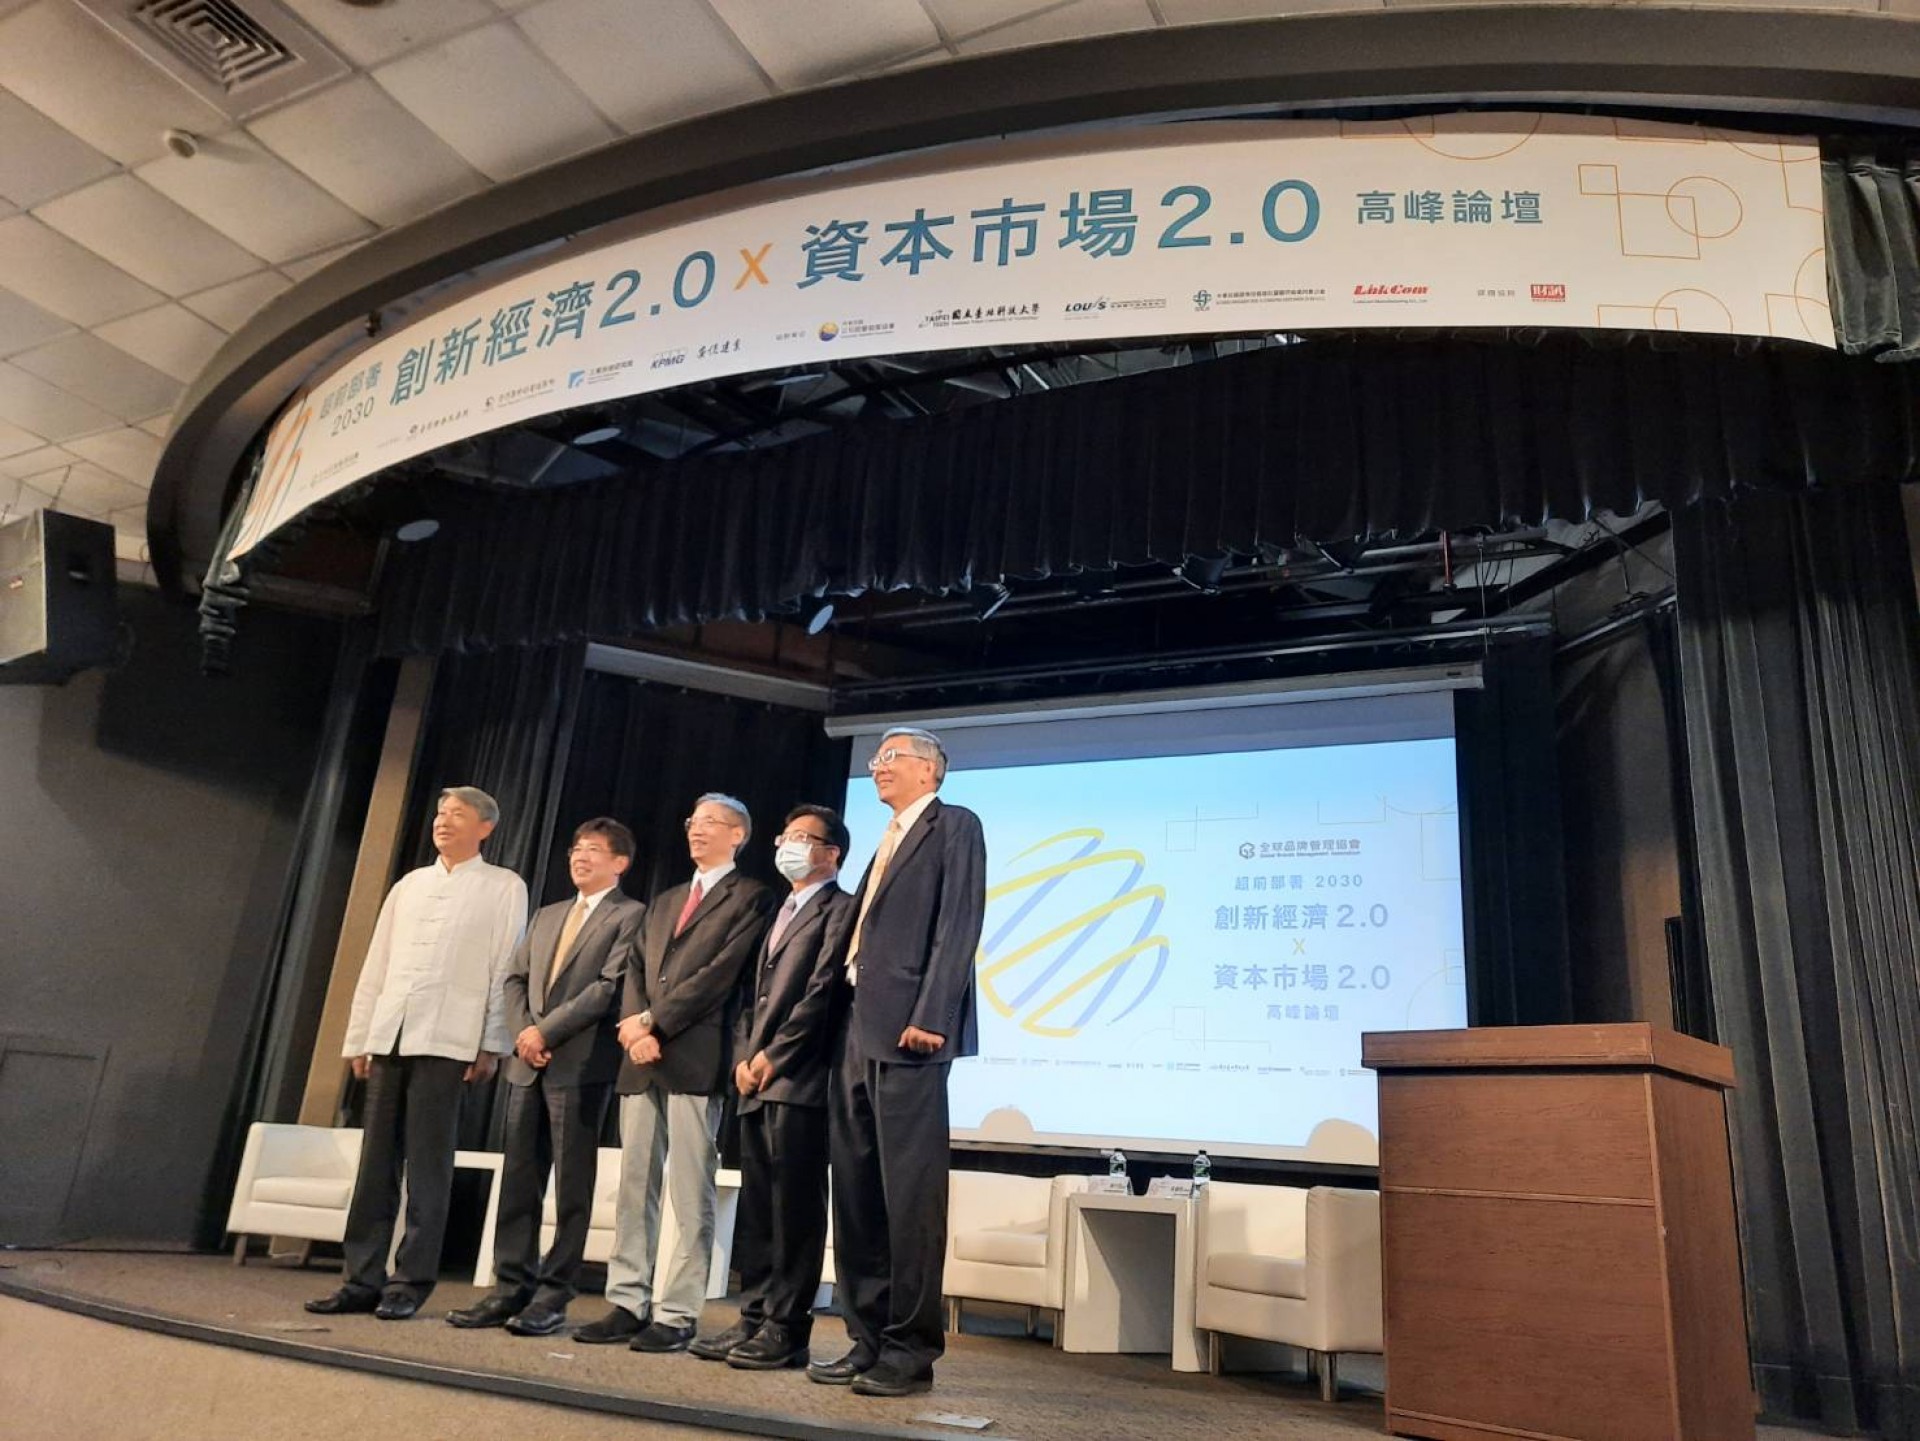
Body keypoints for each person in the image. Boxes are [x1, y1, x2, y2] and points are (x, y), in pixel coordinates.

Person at [308, 786, 528, 1321]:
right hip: (390, 1035)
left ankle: (410, 1281)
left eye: (458, 814)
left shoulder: (503, 886)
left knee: (428, 1165)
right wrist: (361, 1037)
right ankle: (361, 1278)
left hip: (449, 1039)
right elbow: (377, 963)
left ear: (485, 828)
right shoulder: (409, 885)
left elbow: (505, 967)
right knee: (375, 1163)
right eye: (440, 813)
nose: (443, 821)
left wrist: (491, 1043)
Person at [815, 728, 986, 1397]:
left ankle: (910, 1350)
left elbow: (958, 923)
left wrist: (933, 1014)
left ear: (930, 769)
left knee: (909, 1198)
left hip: (912, 1031)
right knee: (857, 1193)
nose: (877, 766)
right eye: (876, 758)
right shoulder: (884, 837)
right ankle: (866, 1338)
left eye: (891, 757)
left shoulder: (955, 825)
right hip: (856, 1028)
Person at [573, 793, 776, 1352]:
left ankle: (680, 1311)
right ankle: (627, 1300)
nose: (696, 830)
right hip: (640, 1059)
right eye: (693, 821)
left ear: (738, 835)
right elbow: (635, 967)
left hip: (696, 1056)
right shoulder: (665, 899)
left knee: (690, 1189)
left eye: (711, 822)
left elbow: (720, 975)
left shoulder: (753, 897)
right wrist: (634, 1028)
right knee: (634, 1186)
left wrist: (655, 1024)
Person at [446, 817, 644, 1337]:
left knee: (572, 1186)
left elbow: (608, 988)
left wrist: (545, 1032)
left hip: (579, 1064)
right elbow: (513, 978)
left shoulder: (630, 915)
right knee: (519, 1179)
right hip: (527, 1063)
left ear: (620, 863)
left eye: (594, 849)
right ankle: (510, 1286)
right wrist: (523, 1034)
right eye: (576, 848)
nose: (580, 856)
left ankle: (555, 1293)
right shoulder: (548, 913)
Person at [689, 805, 855, 1371]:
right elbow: (749, 996)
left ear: (831, 853)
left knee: (794, 1209)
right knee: (760, 1208)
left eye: (803, 838)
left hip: (799, 1080)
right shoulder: (779, 908)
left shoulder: (841, 909)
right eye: (785, 836)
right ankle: (754, 1315)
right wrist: (743, 1056)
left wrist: (773, 1057)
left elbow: (823, 992)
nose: (788, 845)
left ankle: (787, 1327)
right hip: (754, 1079)